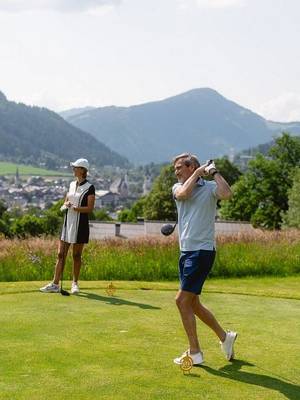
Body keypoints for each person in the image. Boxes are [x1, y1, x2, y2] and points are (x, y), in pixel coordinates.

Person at [172, 153, 237, 366]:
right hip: (186, 252)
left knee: (181, 301)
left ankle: (195, 352)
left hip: (202, 251)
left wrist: (214, 172)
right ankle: (224, 337)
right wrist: (199, 173)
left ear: (191, 166)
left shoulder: (209, 189)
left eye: (180, 167)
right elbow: (182, 194)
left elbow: (227, 193)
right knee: (194, 304)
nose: (177, 172)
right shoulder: (177, 187)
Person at [40, 158, 95, 294]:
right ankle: (55, 284)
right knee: (60, 254)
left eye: (75, 167)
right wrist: (64, 206)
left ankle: (75, 284)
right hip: (67, 223)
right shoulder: (71, 184)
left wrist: (75, 208)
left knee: (76, 255)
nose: (73, 169)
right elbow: (65, 201)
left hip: (80, 225)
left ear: (82, 170)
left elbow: (89, 208)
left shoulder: (90, 187)